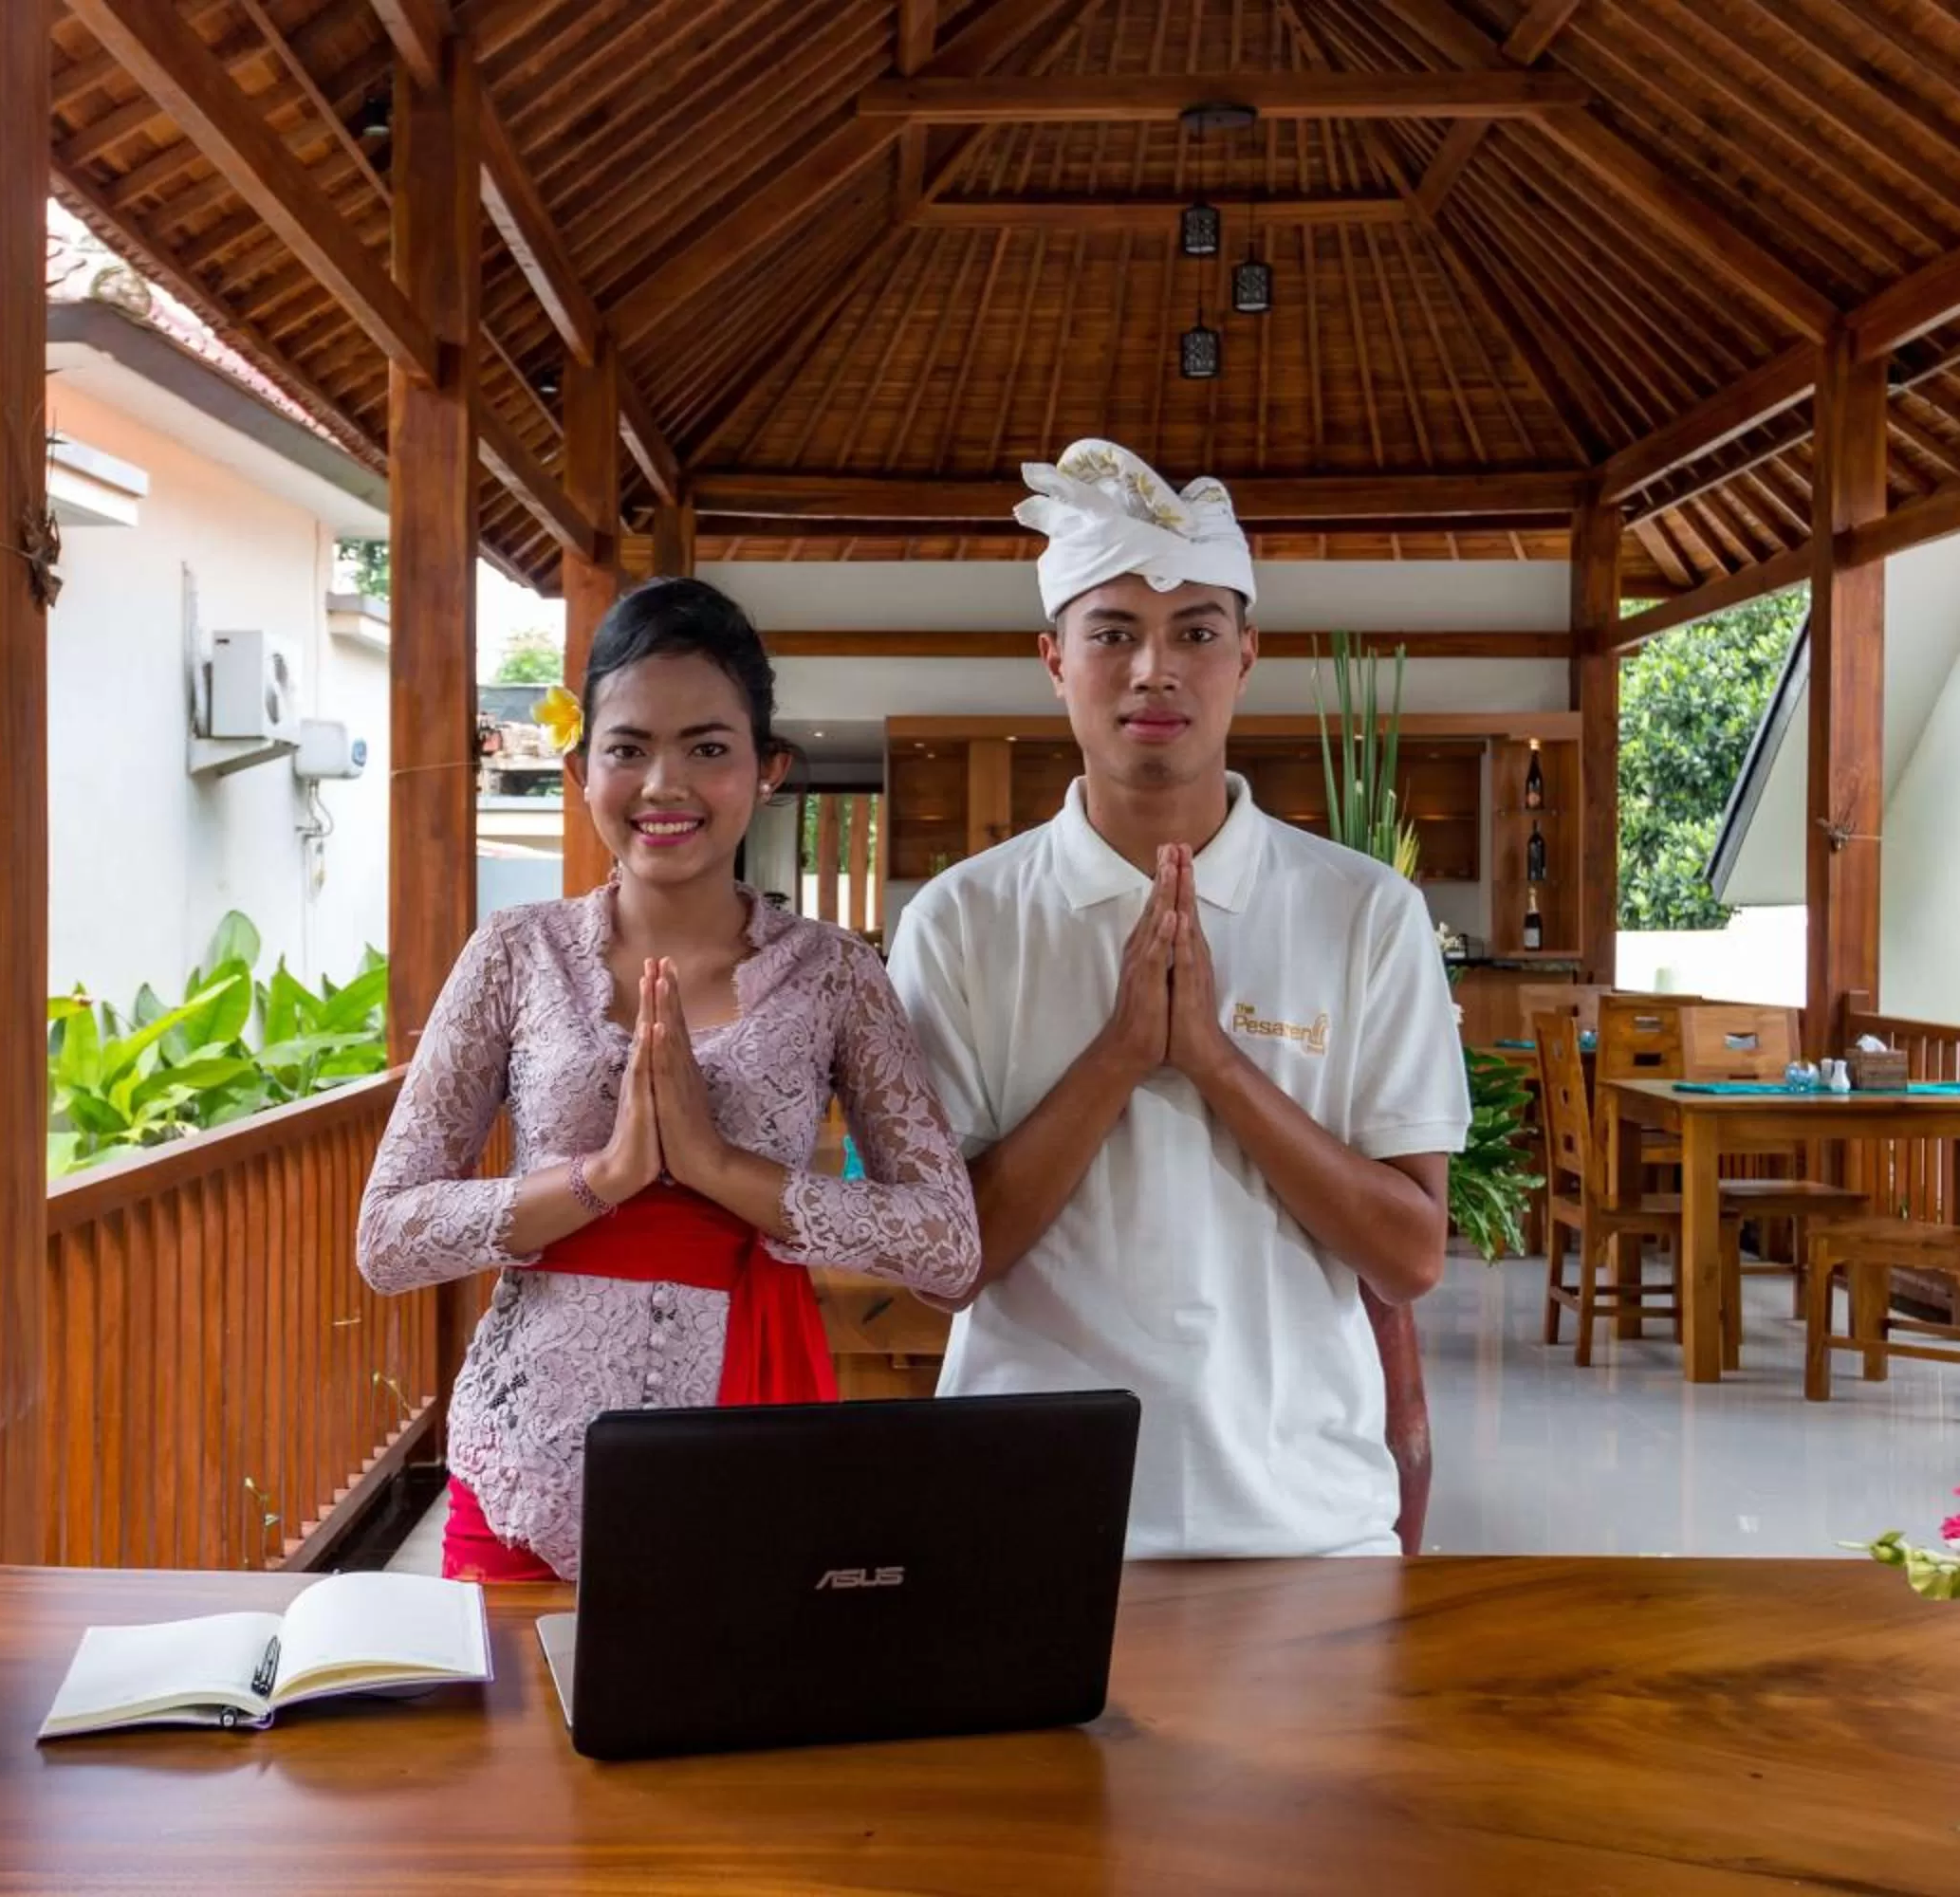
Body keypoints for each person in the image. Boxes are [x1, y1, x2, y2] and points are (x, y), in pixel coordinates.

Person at [887, 440, 1470, 1560]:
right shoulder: (962, 921)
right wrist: (1117, 1054)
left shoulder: (1363, 912)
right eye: (1114, 632)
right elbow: (943, 1266)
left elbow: (1410, 1254)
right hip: (1023, 1517)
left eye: (1196, 631)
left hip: (1307, 1523)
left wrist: (1214, 1060)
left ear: (1245, 657)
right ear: (1053, 658)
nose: (1156, 668)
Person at [358, 579, 980, 1581]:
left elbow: (949, 1247)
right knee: (505, 1737)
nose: (664, 783)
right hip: (526, 1448)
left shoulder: (837, 974)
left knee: (742, 1716)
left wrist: (720, 1167)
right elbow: (386, 1236)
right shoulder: (515, 953)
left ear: (766, 767)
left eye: (708, 746)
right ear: (579, 768)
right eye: (629, 747)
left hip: (755, 1427)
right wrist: (603, 1175)